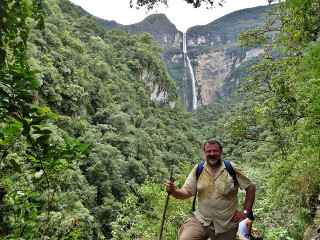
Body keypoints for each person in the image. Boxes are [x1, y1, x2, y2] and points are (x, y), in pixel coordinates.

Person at [166, 139, 256, 240]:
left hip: (226, 225)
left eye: (215, 151)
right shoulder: (198, 169)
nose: (212, 154)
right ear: (205, 153)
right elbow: (187, 192)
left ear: (221, 152)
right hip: (201, 220)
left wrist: (245, 212)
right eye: (209, 151)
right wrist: (174, 191)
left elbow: (250, 187)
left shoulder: (232, 168)